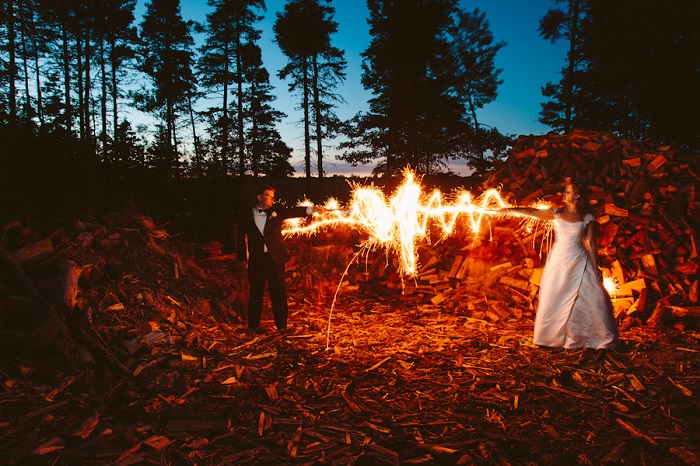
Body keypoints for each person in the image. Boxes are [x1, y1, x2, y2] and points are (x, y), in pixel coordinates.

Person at [502, 178, 619, 349]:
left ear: (578, 195)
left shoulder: (587, 217)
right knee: (556, 294)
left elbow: (591, 243)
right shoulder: (558, 212)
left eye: (568, 191)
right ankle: (553, 337)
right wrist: (510, 209)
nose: (564, 194)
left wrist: (595, 267)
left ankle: (591, 337)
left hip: (579, 258)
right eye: (564, 191)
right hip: (559, 259)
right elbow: (534, 213)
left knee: (590, 296)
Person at [236, 183, 323, 333]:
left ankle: (282, 327)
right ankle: (253, 326)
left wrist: (312, 210)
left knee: (278, 294)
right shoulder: (246, 214)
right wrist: (243, 259)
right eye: (269, 196)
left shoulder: (277, 211)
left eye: (272, 196)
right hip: (256, 260)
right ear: (259, 197)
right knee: (256, 293)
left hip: (275, 260)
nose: (272, 199)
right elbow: (240, 237)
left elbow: (293, 211)